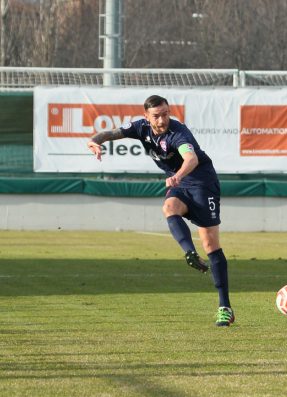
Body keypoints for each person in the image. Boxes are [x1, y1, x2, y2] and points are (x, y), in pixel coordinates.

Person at [86, 95, 234, 327]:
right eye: (157, 115)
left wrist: (176, 176)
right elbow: (110, 134)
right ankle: (189, 253)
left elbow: (191, 158)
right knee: (169, 207)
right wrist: (95, 140)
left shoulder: (178, 132)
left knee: (211, 244)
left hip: (203, 183)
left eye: (165, 113)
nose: (162, 119)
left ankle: (225, 307)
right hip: (179, 184)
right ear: (146, 116)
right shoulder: (140, 128)